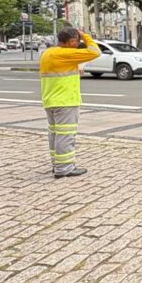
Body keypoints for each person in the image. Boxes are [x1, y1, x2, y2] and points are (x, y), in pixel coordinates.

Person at [38, 26, 99, 178]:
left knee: (55, 134)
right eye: (77, 41)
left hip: (50, 99)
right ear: (71, 41)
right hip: (65, 101)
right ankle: (64, 168)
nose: (78, 44)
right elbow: (95, 52)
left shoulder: (48, 53)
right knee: (65, 135)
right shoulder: (65, 54)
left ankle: (57, 164)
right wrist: (85, 36)